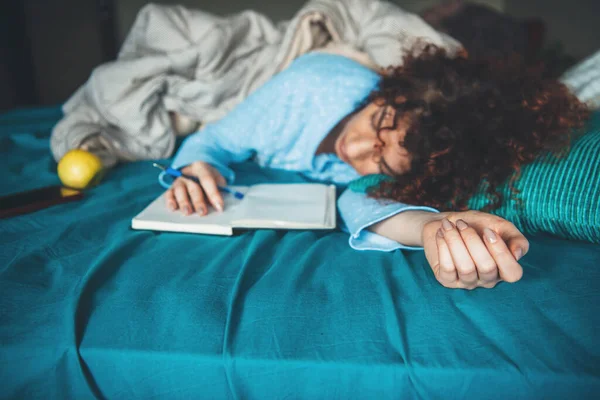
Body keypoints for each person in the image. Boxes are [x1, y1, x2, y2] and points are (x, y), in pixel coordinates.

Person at [158, 46, 589, 290]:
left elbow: (372, 197)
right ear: (385, 92)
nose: (357, 147)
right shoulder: (305, 89)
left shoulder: (416, 165)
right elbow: (209, 141)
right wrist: (197, 170)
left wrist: (433, 227)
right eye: (377, 123)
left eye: (380, 158)